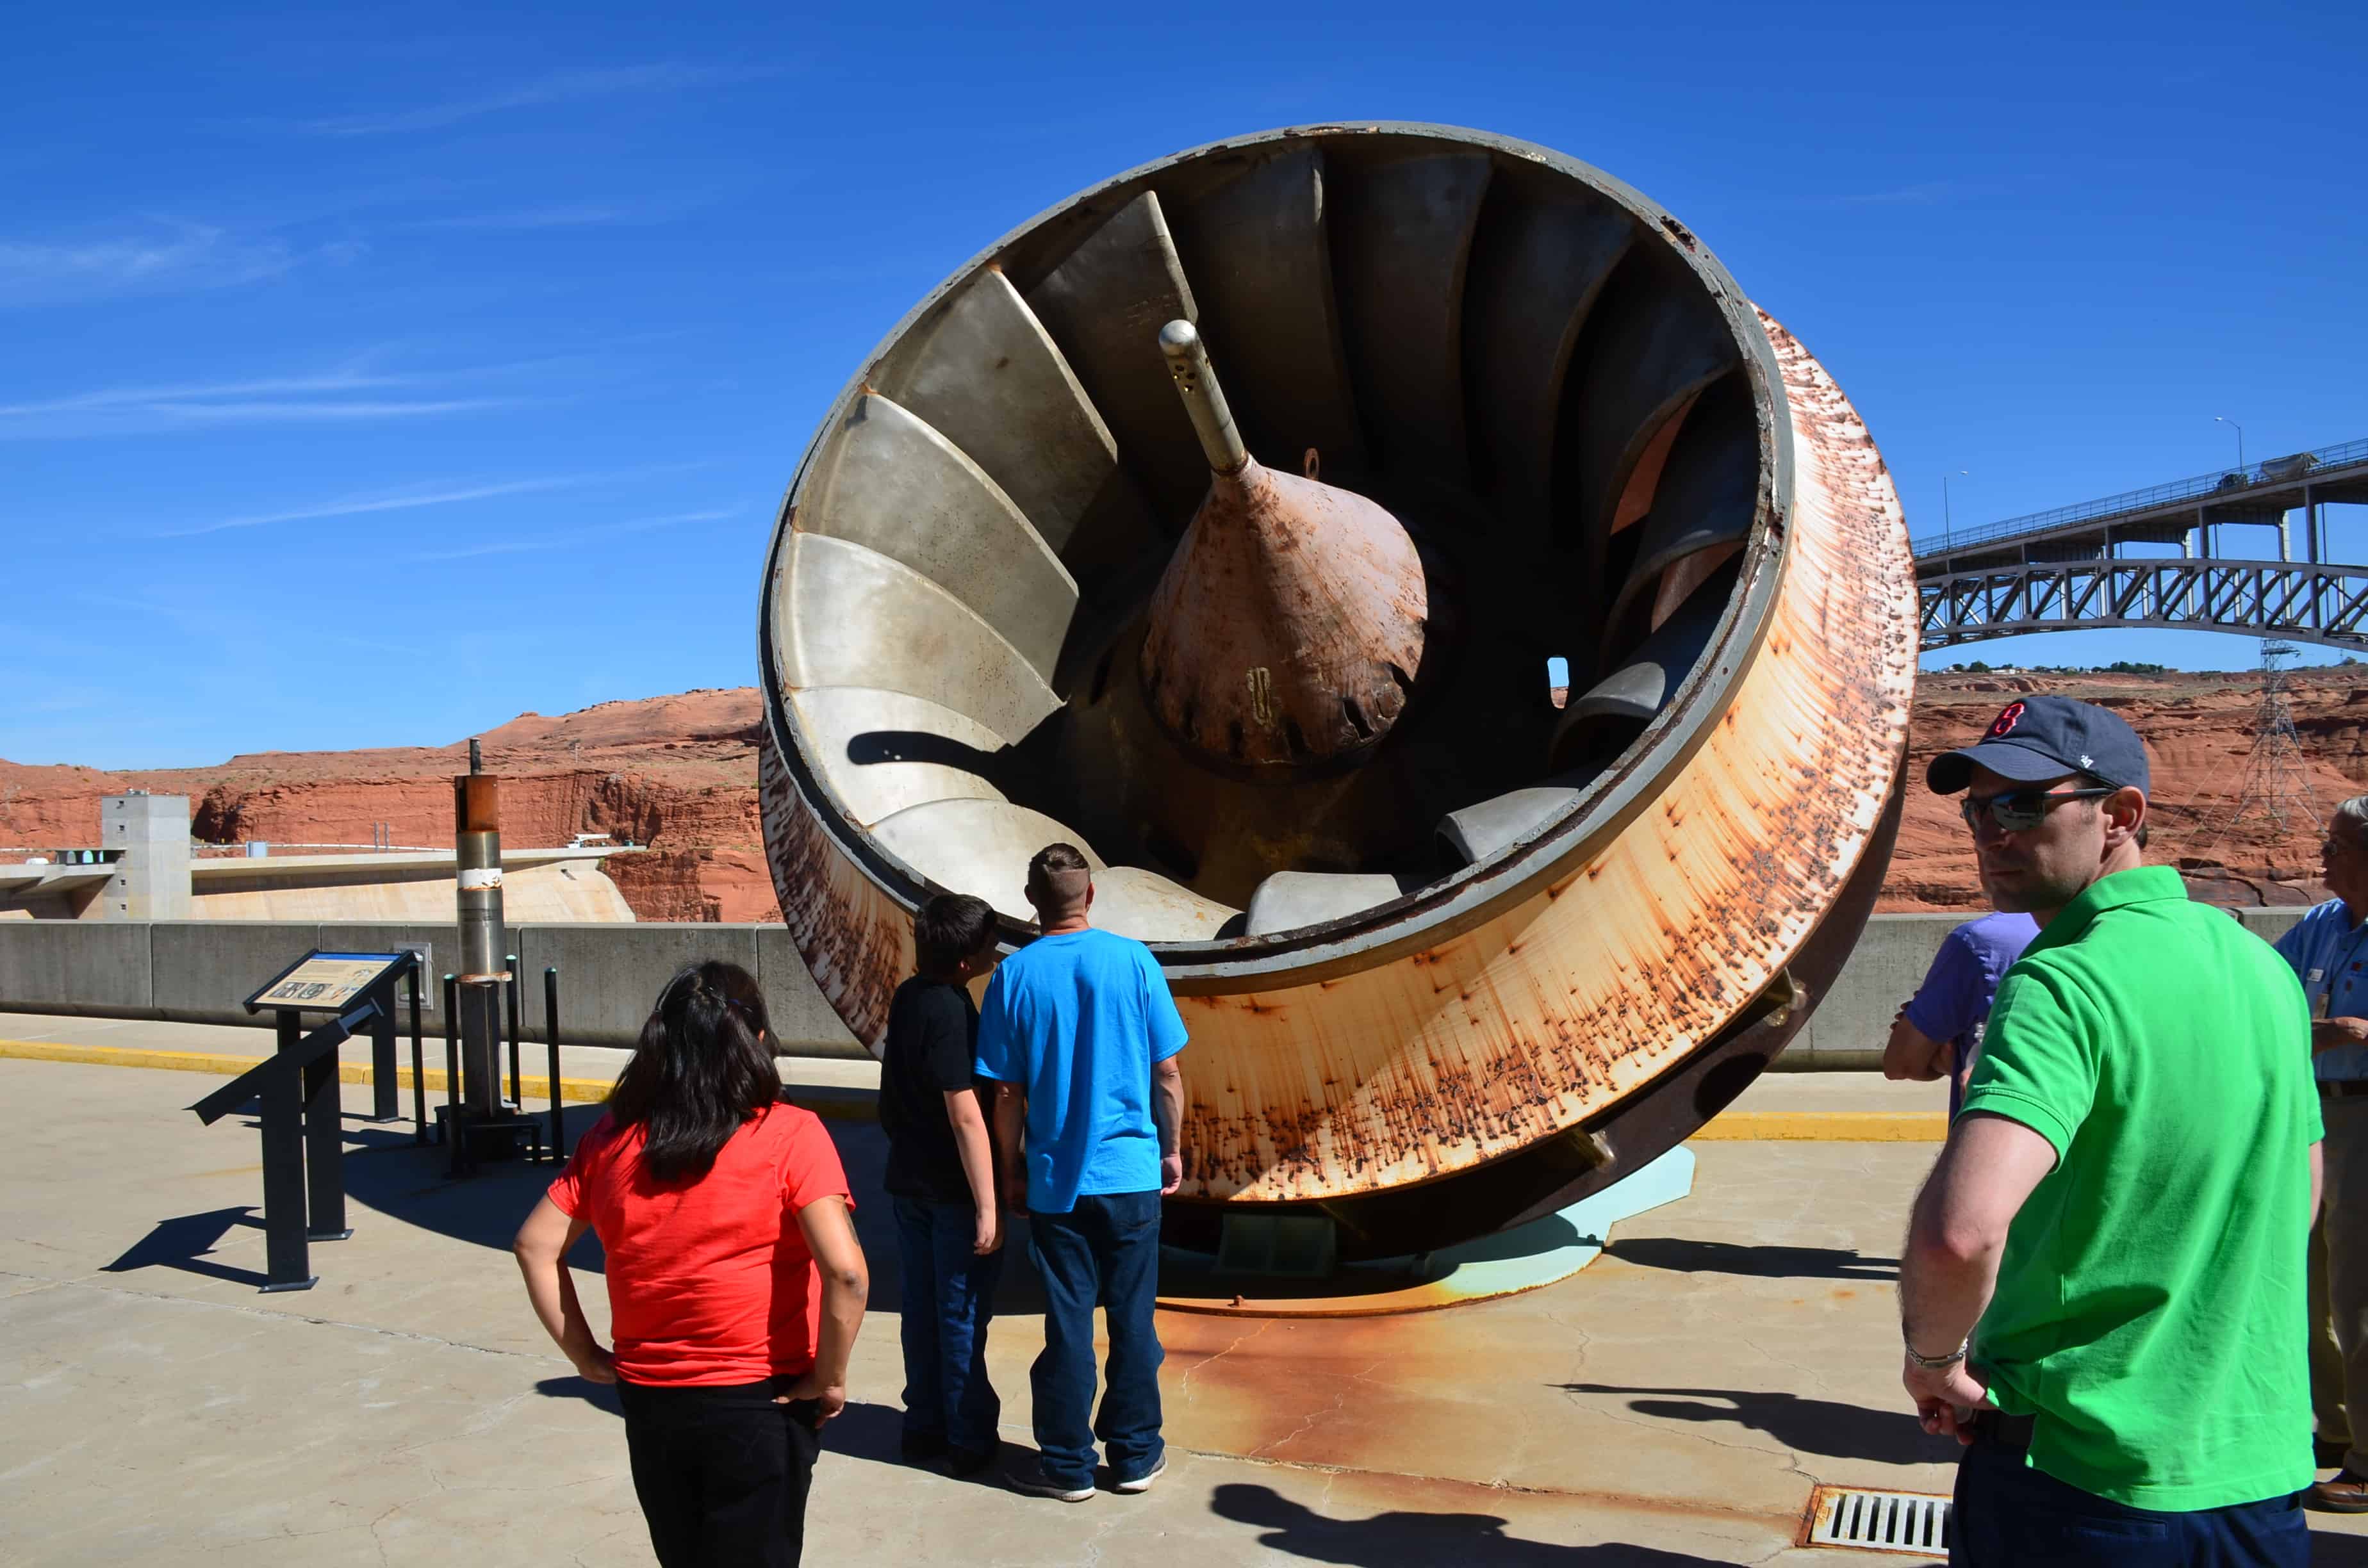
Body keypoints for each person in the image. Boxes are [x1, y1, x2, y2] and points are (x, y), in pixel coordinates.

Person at [1896, 694, 2320, 1567]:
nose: (1989, 831)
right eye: (1977, 809)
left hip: (2080, 1479)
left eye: (2020, 804)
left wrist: (1934, 1362)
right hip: (2257, 1473)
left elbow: (1960, 1231)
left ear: (2122, 815)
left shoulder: (2061, 984)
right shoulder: (2263, 969)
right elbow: (2302, 1192)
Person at [512, 961, 869, 1568]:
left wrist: (585, 1354)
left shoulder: (611, 1138)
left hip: (653, 1399)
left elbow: (536, 1245)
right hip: (763, 1397)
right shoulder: (790, 1134)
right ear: (757, 1043)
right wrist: (830, 1378)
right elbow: (847, 1272)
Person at [976, 843, 1189, 1503]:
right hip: (1130, 1176)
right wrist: (1172, 1149)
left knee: (1068, 1322)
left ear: (1031, 902)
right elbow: (1168, 1072)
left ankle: (1068, 1465)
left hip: (1055, 1181)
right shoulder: (1134, 961)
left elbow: (1007, 1092)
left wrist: (1011, 1165)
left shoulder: (1013, 978)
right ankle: (1134, 1457)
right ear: (1090, 896)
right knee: (1132, 1320)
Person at [879, 892, 1006, 1475]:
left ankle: (922, 1426)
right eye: (988, 946)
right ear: (964, 963)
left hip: (908, 1182)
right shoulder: (951, 1010)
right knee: (959, 1312)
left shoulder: (908, 998)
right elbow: (964, 1113)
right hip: (951, 1191)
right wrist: (988, 1204)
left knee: (922, 1311)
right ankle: (968, 1439)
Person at [2274, 795, 2368, 1508]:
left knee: (2359, 1292)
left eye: (2336, 844)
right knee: (2311, 1289)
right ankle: (2334, 1429)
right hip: (2313, 1115)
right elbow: (2266, 1008)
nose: (2322, 855)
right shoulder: (2319, 924)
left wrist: (2330, 1034)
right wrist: (2329, 1031)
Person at [1884, 910, 2038, 1118]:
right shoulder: (2095, 935)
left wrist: (1958, 1060)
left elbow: (1901, 1063)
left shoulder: (1983, 940)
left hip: (1999, 1136)